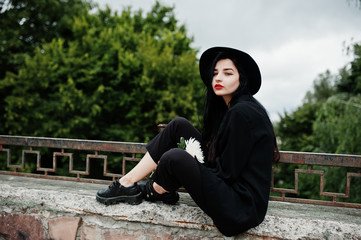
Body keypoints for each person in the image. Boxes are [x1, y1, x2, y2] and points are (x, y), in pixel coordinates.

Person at [96, 46, 280, 236]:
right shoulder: (233, 110)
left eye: (228, 73)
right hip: (230, 191)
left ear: (242, 78)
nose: (218, 78)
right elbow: (219, 163)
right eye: (215, 73)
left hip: (239, 208)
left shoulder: (241, 113)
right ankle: (126, 183)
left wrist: (182, 167)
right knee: (178, 126)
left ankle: (156, 189)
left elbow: (226, 173)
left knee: (175, 157)